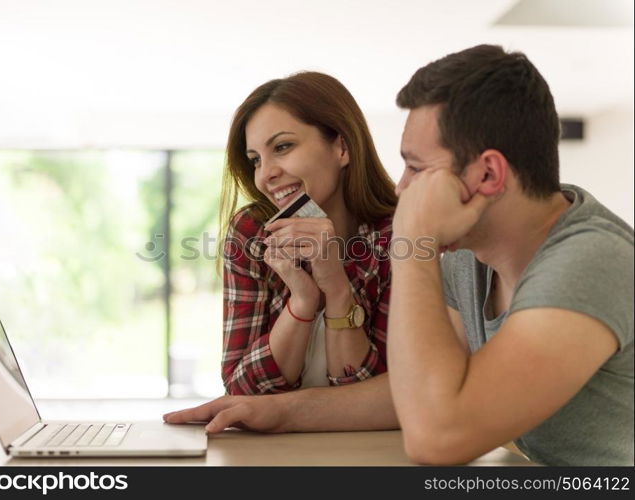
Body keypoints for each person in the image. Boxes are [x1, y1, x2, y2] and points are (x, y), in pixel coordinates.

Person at [165, 46, 634, 467]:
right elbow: (410, 396)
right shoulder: (468, 258)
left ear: (488, 173)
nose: (402, 188)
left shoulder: (587, 260)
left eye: (416, 168)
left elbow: (436, 437)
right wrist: (274, 410)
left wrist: (413, 242)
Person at [217, 71, 398, 395]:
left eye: (283, 147)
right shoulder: (252, 234)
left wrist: (337, 289)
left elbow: (380, 395)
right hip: (276, 447)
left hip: (377, 445)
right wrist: (303, 299)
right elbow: (242, 389)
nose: (266, 175)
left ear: (342, 147)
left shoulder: (398, 235)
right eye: (255, 160)